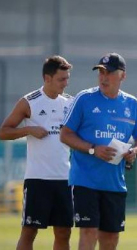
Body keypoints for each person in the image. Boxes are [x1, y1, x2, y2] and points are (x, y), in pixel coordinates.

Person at [60, 52, 137, 250]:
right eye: (100, 72)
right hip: (85, 180)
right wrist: (93, 149)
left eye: (108, 72)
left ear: (122, 76)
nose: (103, 77)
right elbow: (65, 135)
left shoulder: (131, 103)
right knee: (89, 232)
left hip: (114, 184)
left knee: (110, 239)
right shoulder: (84, 99)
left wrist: (135, 151)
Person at [0, 56, 73, 250]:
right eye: (61, 79)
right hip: (37, 179)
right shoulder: (29, 102)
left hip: (65, 179)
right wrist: (29, 130)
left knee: (64, 232)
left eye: (67, 78)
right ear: (47, 78)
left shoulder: (70, 103)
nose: (65, 83)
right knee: (29, 231)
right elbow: (3, 131)